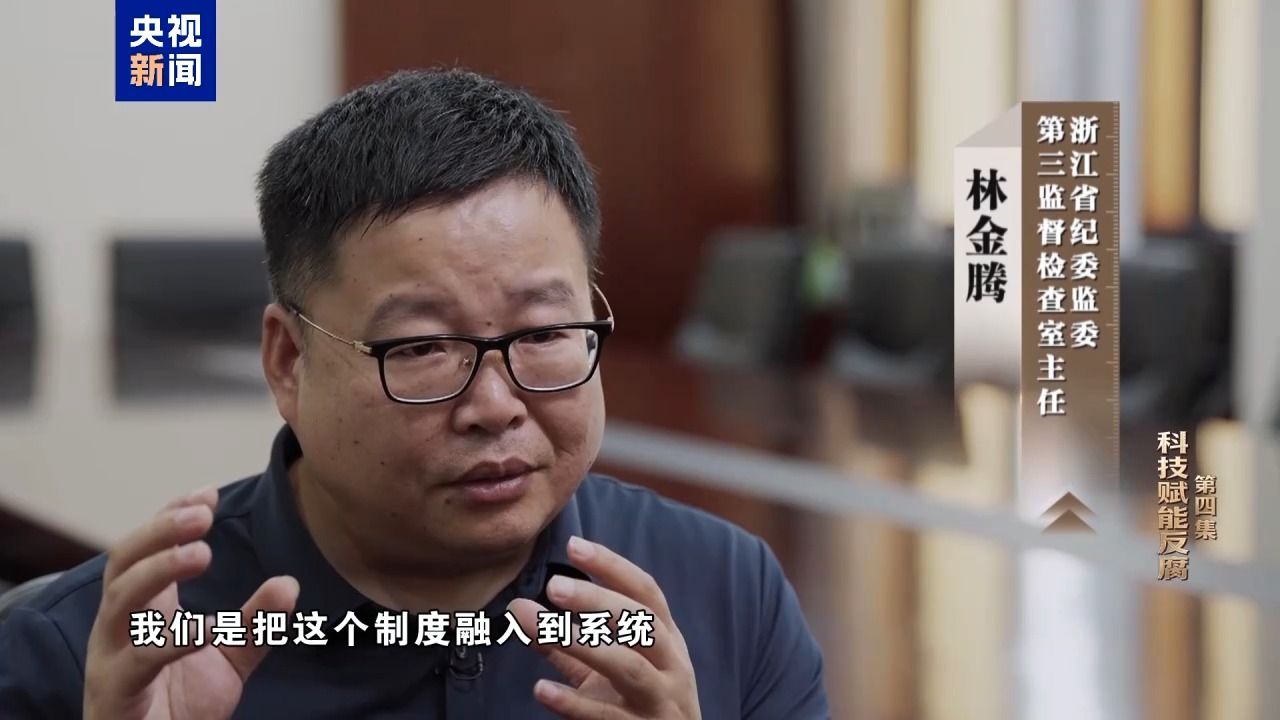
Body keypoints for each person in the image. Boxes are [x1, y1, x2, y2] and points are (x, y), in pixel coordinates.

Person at [0, 69, 829, 719]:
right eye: (422, 347)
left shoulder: (723, 596)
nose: (496, 406)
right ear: (288, 360)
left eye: (544, 332)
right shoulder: (101, 655)